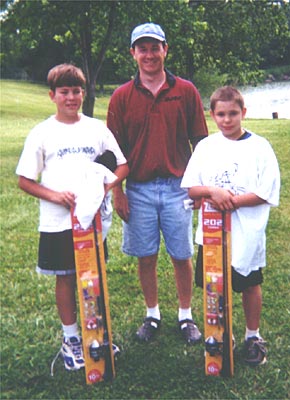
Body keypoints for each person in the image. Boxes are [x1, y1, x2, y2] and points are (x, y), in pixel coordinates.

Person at [16, 64, 129, 371]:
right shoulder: (42, 132)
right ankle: (71, 340)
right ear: (52, 95)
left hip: (91, 223)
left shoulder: (97, 129)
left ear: (84, 93)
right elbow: (25, 180)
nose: (71, 97)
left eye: (76, 91)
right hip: (58, 222)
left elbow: (122, 166)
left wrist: (106, 188)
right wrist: (57, 197)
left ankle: (97, 334)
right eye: (64, 92)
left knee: (93, 277)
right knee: (66, 278)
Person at [107, 23, 208, 344]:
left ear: (165, 49)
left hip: (179, 186)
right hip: (138, 189)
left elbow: (201, 143)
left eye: (155, 47)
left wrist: (200, 188)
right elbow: (112, 152)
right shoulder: (121, 97)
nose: (149, 54)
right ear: (133, 53)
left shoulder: (186, 91)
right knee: (146, 256)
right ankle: (152, 314)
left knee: (181, 255)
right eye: (142, 48)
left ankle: (185, 315)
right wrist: (117, 191)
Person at [181, 86, 280, 365]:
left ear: (243, 113)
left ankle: (253, 335)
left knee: (249, 284)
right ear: (211, 115)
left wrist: (232, 201)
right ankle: (221, 332)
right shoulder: (206, 147)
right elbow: (191, 188)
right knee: (215, 285)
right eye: (221, 114)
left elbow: (266, 192)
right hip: (212, 233)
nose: (227, 120)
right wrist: (213, 192)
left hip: (246, 232)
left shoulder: (260, 147)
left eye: (233, 113)